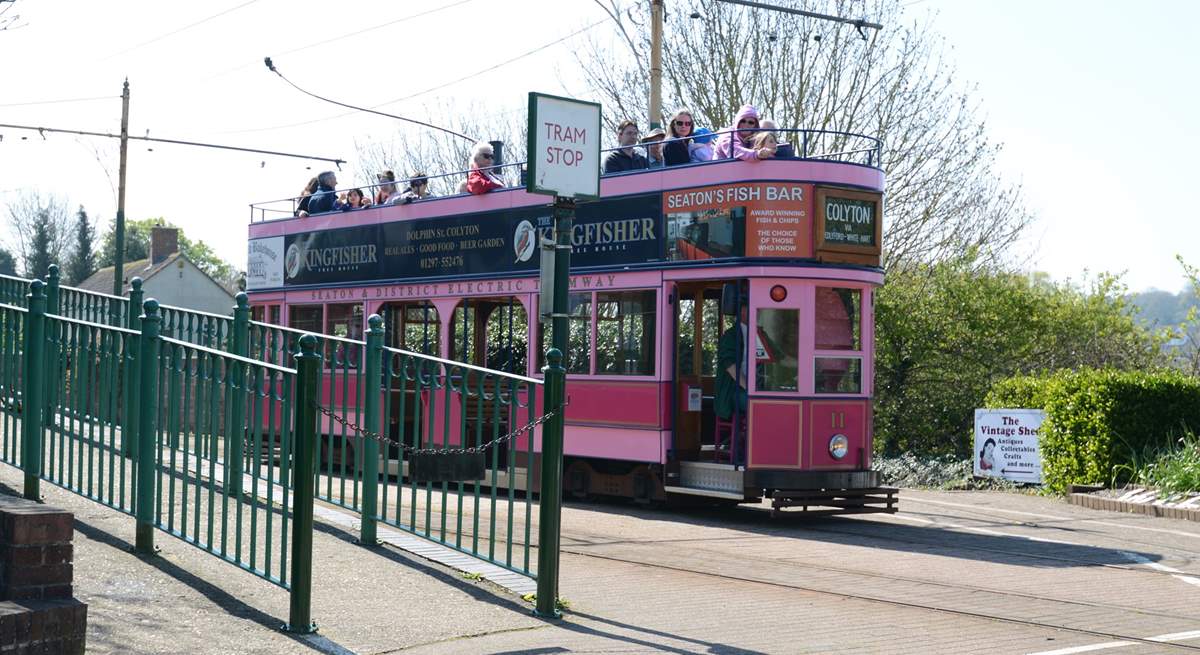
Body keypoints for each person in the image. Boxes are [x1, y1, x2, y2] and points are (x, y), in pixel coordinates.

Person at [716, 304, 751, 420]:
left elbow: (780, 357)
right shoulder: (730, 335)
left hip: (759, 388)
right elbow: (730, 366)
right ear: (742, 311)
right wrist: (749, 388)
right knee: (760, 402)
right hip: (733, 391)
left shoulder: (760, 334)